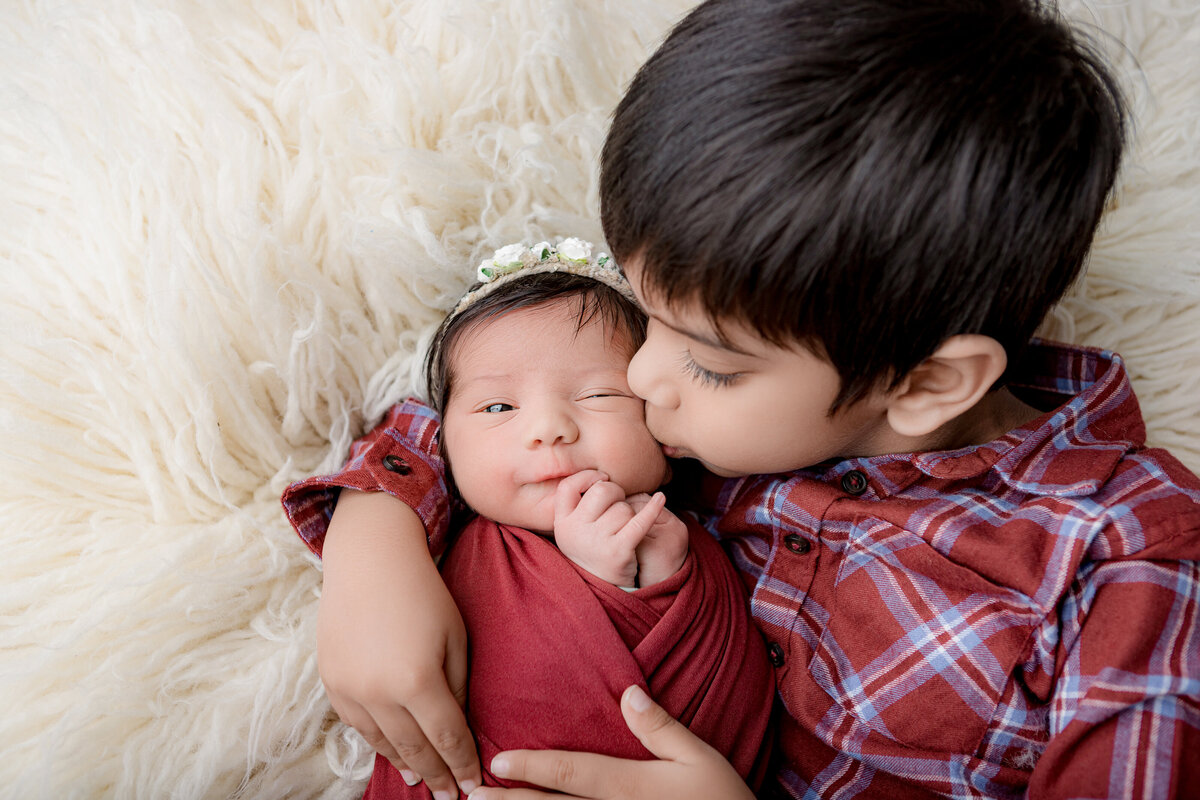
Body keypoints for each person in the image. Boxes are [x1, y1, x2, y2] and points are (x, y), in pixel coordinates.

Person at [284, 0, 1200, 797]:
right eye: (646, 317)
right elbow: (500, 383)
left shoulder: (1122, 568)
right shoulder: (713, 383)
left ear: (924, 384)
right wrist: (375, 546)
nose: (641, 379)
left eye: (711, 363)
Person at [285, 241, 773, 799]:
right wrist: (368, 549)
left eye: (598, 393)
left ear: (665, 425)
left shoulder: (686, 526)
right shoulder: (457, 530)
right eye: (498, 407)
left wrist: (646, 581)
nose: (548, 426)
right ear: (446, 445)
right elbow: (401, 436)